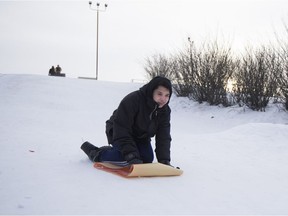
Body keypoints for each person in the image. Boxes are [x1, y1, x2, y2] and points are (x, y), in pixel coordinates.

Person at [81, 76, 173, 166]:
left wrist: (164, 160)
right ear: (151, 91)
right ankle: (97, 153)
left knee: (147, 158)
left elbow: (163, 136)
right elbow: (122, 128)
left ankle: (124, 150)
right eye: (159, 94)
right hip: (117, 131)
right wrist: (131, 155)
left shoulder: (165, 111)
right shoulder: (133, 100)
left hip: (140, 137)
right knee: (124, 157)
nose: (163, 99)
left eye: (167, 95)